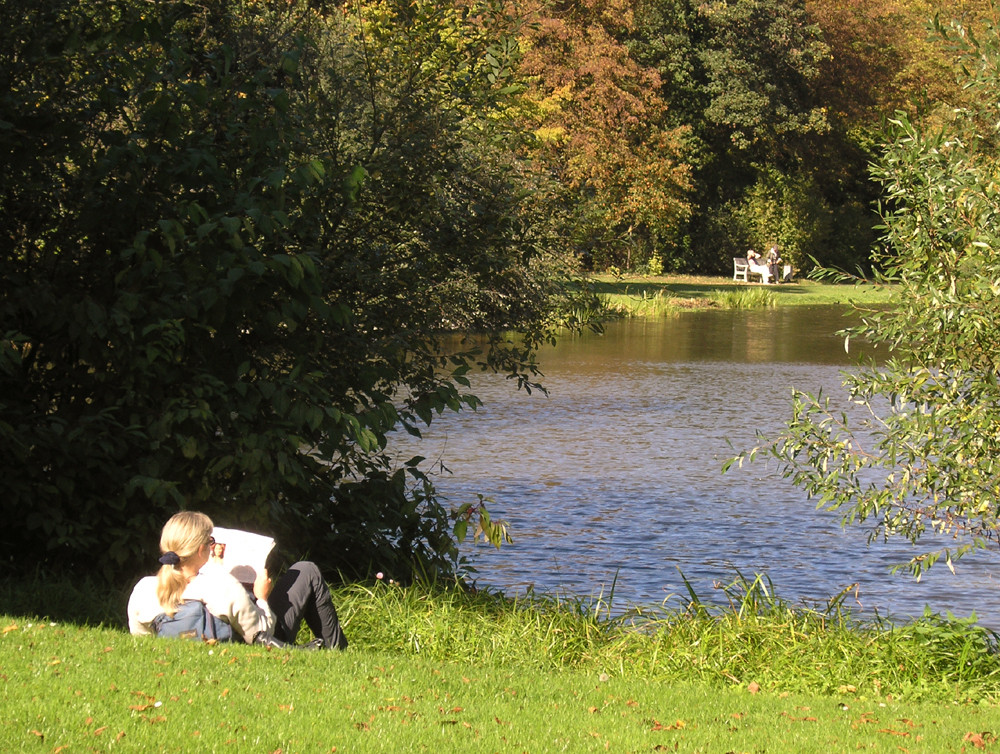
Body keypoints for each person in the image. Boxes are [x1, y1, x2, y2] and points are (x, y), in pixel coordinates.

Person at [127, 511, 347, 649]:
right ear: (203, 548)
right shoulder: (220, 585)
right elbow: (263, 632)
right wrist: (261, 598)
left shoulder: (144, 589)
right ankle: (336, 652)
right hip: (251, 643)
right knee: (306, 569)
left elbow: (143, 642)